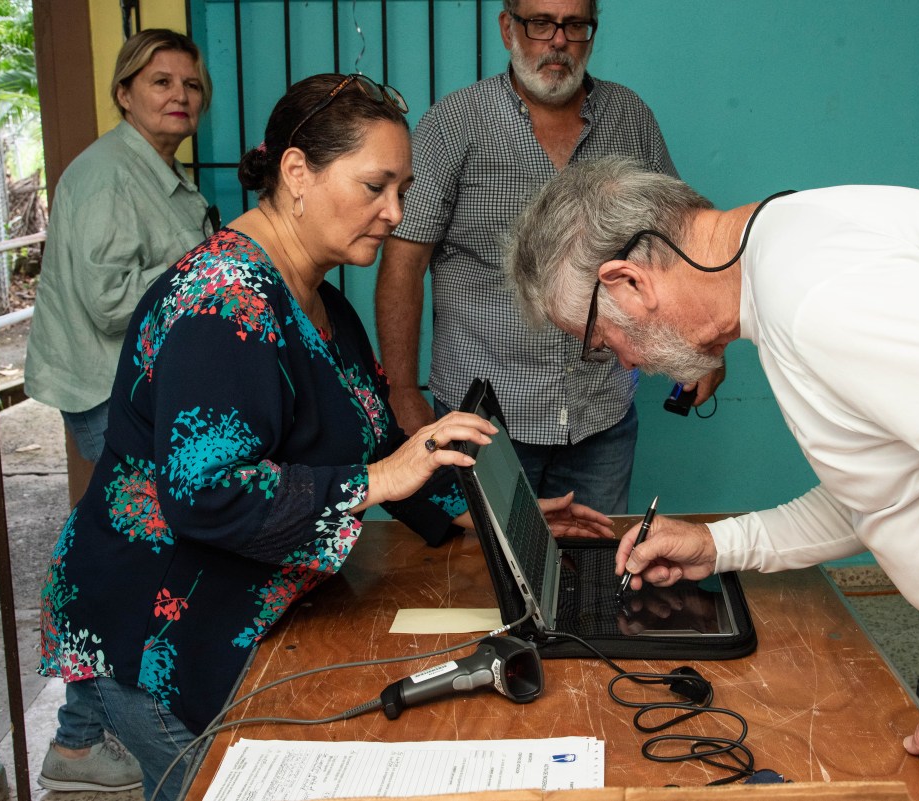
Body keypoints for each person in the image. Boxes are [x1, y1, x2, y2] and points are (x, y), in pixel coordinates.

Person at [35, 73, 613, 801]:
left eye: (402, 189)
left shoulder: (324, 300)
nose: (395, 212)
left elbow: (373, 437)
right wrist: (377, 482)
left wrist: (473, 516)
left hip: (248, 613)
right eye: (375, 186)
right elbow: (207, 494)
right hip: (157, 628)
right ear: (297, 172)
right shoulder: (222, 302)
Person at [503, 157, 919, 784]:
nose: (624, 362)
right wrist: (720, 544)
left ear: (628, 281)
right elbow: (889, 490)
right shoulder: (791, 253)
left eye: (600, 342)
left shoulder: (823, 296)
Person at [375, 0, 716, 515]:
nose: (558, 40)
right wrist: (401, 390)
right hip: (483, 424)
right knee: (478, 578)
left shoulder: (630, 117)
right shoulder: (454, 123)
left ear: (591, 32)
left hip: (602, 417)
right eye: (540, 23)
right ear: (508, 27)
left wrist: (706, 347)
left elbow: (681, 242)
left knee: (594, 572)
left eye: (575, 24)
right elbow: (404, 261)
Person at [24, 28, 216, 793]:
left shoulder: (156, 169)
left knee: (116, 556)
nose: (179, 95)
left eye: (190, 85)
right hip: (109, 392)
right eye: (161, 81)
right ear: (124, 92)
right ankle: (78, 737)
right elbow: (111, 302)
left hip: (137, 389)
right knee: (120, 562)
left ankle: (79, 735)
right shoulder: (108, 175)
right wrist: (200, 267)